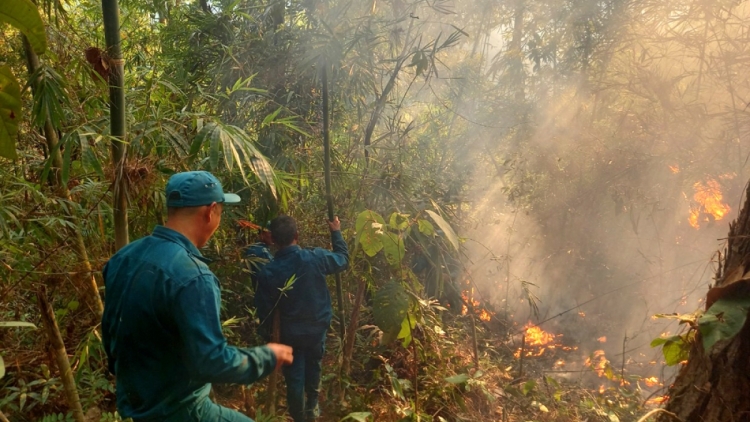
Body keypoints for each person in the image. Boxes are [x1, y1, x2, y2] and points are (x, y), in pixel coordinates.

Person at [101, 171, 293, 422]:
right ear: (211, 211)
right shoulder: (193, 276)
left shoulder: (122, 258)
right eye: (221, 212)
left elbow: (112, 335)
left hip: (136, 405)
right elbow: (211, 362)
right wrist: (266, 356)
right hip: (179, 410)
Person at [254, 215, 349, 422]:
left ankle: (300, 417)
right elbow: (343, 259)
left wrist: (269, 337)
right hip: (317, 330)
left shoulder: (269, 272)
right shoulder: (315, 257)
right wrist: (336, 232)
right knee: (314, 366)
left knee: (295, 377)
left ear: (274, 240)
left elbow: (265, 311)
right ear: (296, 235)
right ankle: (312, 410)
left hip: (290, 335)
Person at [244, 222, 274, 291]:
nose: (273, 236)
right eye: (270, 232)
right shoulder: (260, 252)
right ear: (262, 233)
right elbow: (266, 279)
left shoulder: (256, 248)